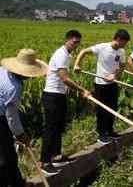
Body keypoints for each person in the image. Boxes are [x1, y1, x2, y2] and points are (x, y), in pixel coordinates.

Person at [40, 30, 91, 175]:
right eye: (74, 42)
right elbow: (64, 78)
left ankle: (56, 156)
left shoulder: (67, 54)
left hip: (59, 95)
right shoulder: (61, 55)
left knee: (58, 127)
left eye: (78, 43)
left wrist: (66, 90)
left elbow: (61, 78)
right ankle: (44, 162)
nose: (76, 45)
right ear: (67, 40)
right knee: (50, 129)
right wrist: (82, 90)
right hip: (52, 96)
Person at [74, 29, 130, 145]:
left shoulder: (121, 51)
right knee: (102, 110)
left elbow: (122, 66)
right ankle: (101, 134)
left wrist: (114, 75)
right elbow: (84, 51)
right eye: (124, 42)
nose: (124, 45)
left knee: (112, 108)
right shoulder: (102, 47)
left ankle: (110, 131)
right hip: (100, 84)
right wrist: (77, 64)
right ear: (118, 39)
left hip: (113, 84)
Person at [0, 49, 48, 185]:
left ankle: (17, 182)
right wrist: (21, 135)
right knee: (6, 157)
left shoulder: (2, 70)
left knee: (7, 155)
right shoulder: (14, 87)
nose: (31, 76)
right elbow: (11, 117)